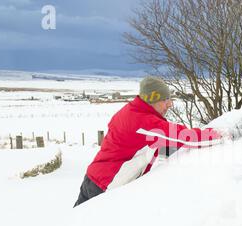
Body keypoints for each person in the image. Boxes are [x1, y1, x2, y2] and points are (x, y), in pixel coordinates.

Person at [74, 76, 223, 207]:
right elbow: (183, 136)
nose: (170, 104)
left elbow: (154, 146)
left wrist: (177, 152)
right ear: (153, 99)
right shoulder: (144, 121)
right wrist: (219, 134)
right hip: (104, 187)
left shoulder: (131, 111)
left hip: (92, 179)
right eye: (165, 100)